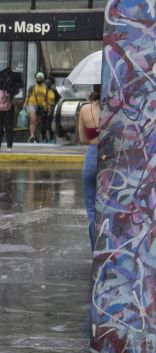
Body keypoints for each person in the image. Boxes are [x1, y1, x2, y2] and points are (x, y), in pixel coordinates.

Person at [78, 86, 100, 250]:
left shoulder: (85, 109)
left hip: (92, 157)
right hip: (111, 159)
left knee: (92, 208)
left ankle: (96, 252)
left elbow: (83, 139)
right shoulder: (117, 108)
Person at [25, 72, 58, 143]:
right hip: (32, 104)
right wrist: (25, 104)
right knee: (33, 120)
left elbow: (46, 98)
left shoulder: (45, 87)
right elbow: (28, 96)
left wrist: (48, 106)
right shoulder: (32, 87)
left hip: (41, 106)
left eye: (40, 78)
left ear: (42, 79)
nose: (38, 79)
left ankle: (35, 138)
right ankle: (32, 135)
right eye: (37, 78)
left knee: (38, 123)